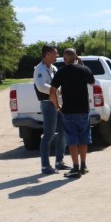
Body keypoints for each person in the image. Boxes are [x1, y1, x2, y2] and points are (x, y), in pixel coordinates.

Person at [50, 48, 96, 178]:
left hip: (68, 111)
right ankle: (83, 165)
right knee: (83, 139)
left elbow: (52, 91)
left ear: (64, 59)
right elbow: (92, 82)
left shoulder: (61, 72)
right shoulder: (84, 70)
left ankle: (75, 168)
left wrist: (57, 106)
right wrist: (82, 65)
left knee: (72, 140)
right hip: (83, 110)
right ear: (76, 57)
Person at [34, 45, 69, 175]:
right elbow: (41, 86)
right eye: (55, 53)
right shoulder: (39, 69)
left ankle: (59, 162)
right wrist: (55, 90)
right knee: (48, 134)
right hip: (48, 104)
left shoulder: (53, 68)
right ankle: (45, 166)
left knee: (62, 133)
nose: (57, 55)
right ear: (47, 54)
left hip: (58, 103)